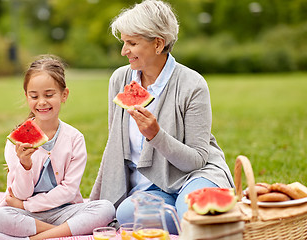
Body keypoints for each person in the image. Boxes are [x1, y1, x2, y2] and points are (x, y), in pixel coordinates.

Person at [89, 0, 235, 234]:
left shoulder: (193, 84)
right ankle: (200, 225)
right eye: (124, 42)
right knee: (126, 214)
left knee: (189, 208)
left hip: (195, 175)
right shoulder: (119, 80)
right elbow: (114, 147)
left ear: (158, 44)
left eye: (132, 43)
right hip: (153, 189)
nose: (123, 51)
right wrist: (98, 200)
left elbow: (196, 160)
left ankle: (197, 219)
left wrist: (156, 136)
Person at [0, 55, 115, 240]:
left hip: (64, 210)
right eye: (34, 96)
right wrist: (25, 165)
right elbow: (20, 194)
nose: (41, 102)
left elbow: (69, 190)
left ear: (64, 95)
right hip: (31, 216)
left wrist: (26, 206)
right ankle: (63, 233)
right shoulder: (15, 142)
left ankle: (35, 238)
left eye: (49, 95)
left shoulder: (75, 138)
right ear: (26, 97)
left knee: (105, 208)